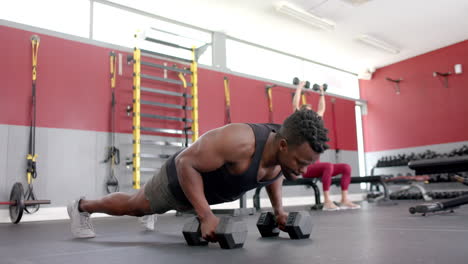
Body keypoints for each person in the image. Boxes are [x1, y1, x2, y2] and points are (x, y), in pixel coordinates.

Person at [67, 109, 329, 240]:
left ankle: (152, 212)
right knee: (136, 206)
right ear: (283, 146)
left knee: (148, 208)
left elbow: (275, 175)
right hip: (177, 181)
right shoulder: (239, 141)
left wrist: (279, 210)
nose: (303, 170)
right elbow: (185, 164)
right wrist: (205, 215)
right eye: (300, 162)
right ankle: (81, 206)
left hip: (204, 191)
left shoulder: (282, 151)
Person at [292, 81, 360, 211]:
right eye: (306, 111)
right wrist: (299, 87)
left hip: (316, 167)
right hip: (305, 168)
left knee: (346, 167)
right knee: (328, 165)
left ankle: (344, 199)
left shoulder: (315, 125)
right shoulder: (299, 123)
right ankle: (327, 201)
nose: (310, 114)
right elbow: (295, 104)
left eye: (311, 112)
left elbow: (321, 109)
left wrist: (322, 92)